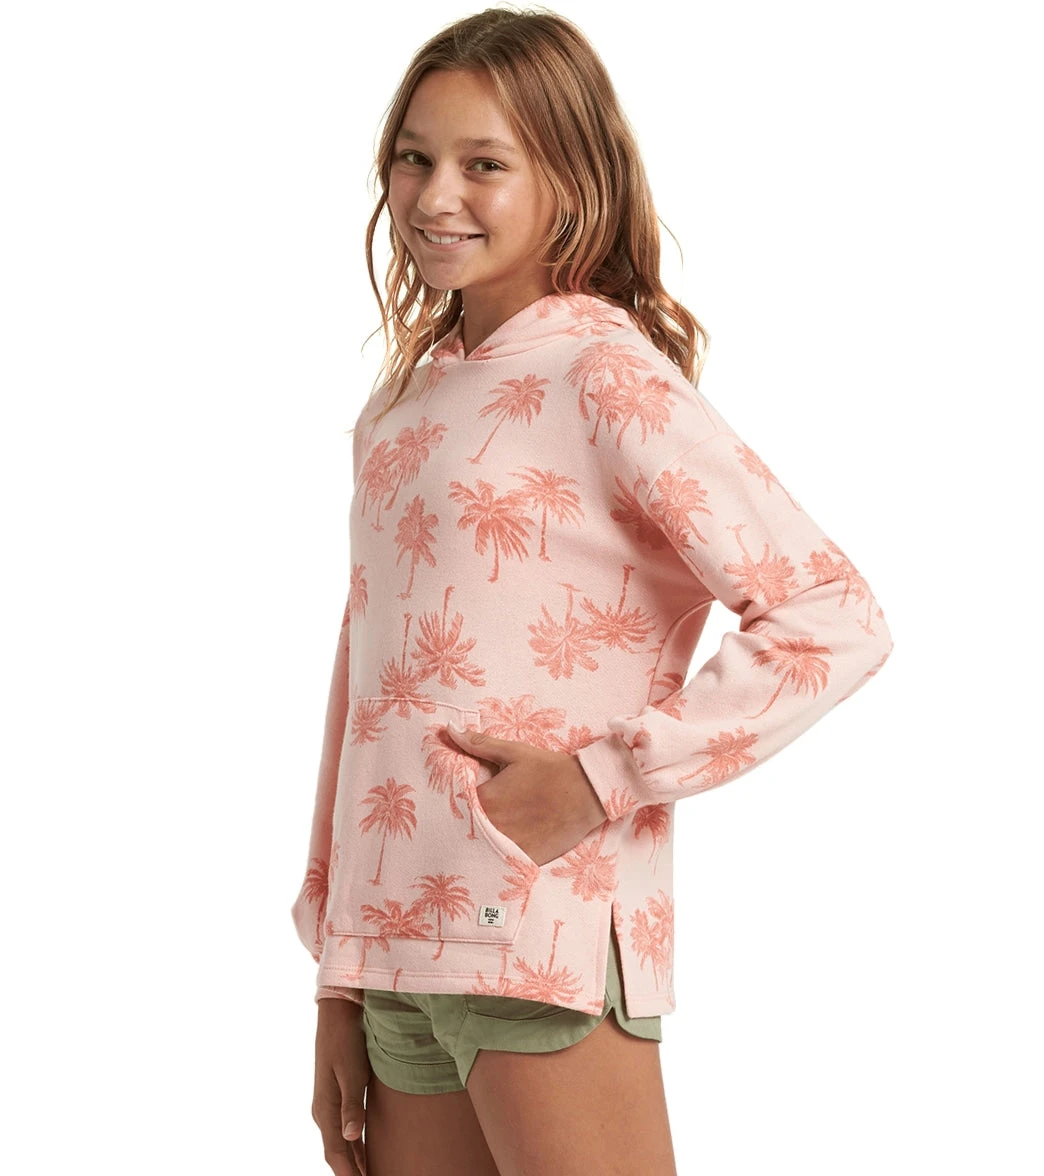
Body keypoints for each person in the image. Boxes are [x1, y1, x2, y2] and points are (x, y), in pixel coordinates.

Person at [291, 7, 895, 1174]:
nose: (434, 196)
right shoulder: (402, 407)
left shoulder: (605, 373)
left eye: (484, 164)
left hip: (542, 932)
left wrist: (600, 776)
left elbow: (835, 617)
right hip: (398, 952)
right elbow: (364, 678)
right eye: (414, 157)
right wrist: (338, 975)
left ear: (569, 183)